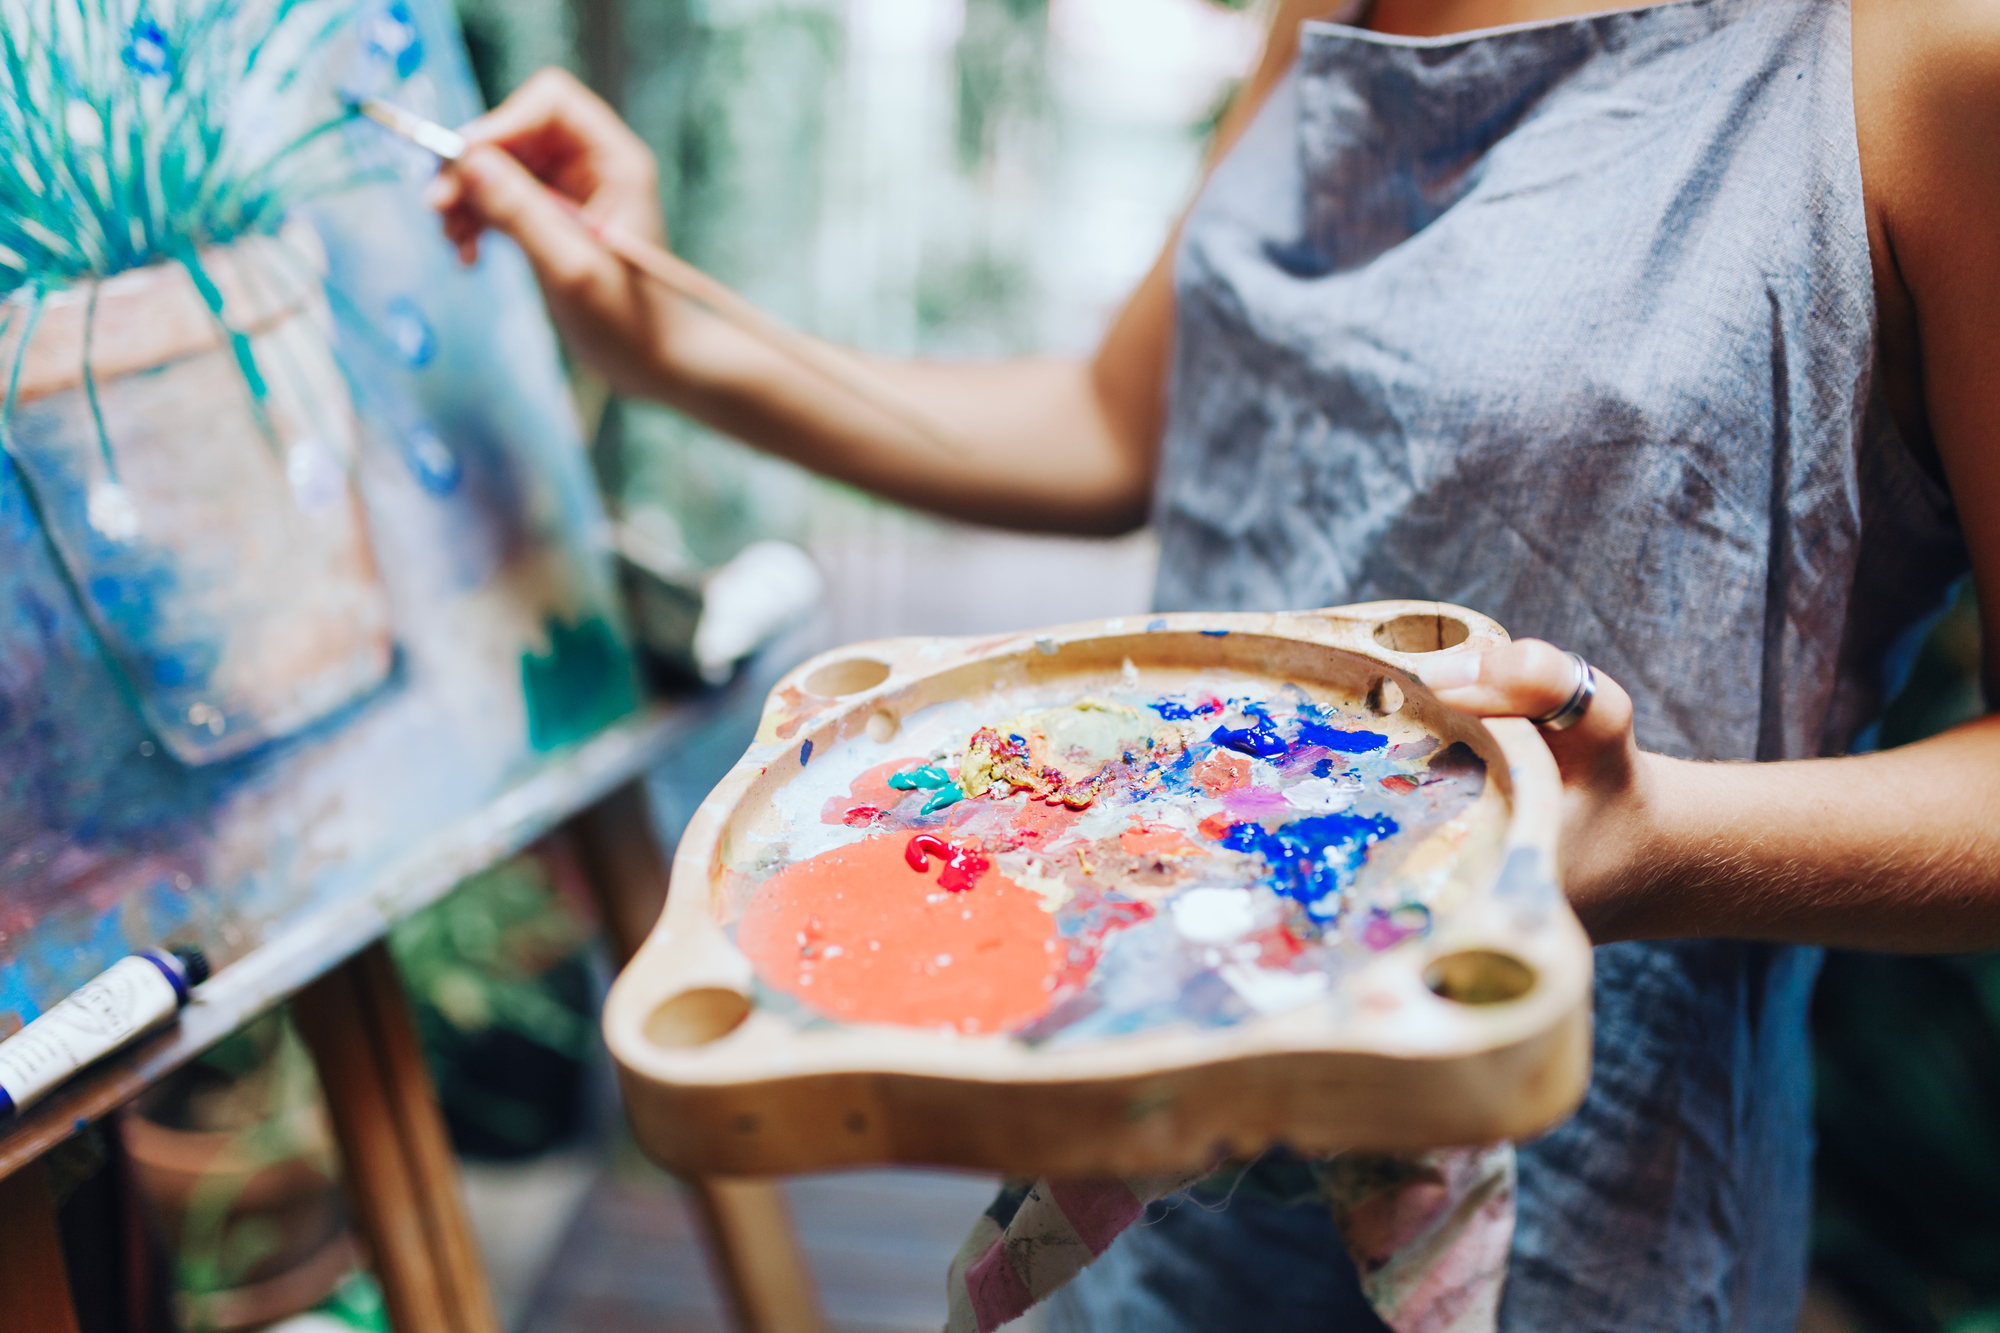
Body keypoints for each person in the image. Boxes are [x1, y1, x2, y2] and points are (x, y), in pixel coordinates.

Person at [426, 0, 2000, 1324]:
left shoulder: (1932, 54)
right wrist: (662, 333)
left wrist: (1639, 845)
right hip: (1160, 1110)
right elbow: (1121, 426)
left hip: (1578, 1202)